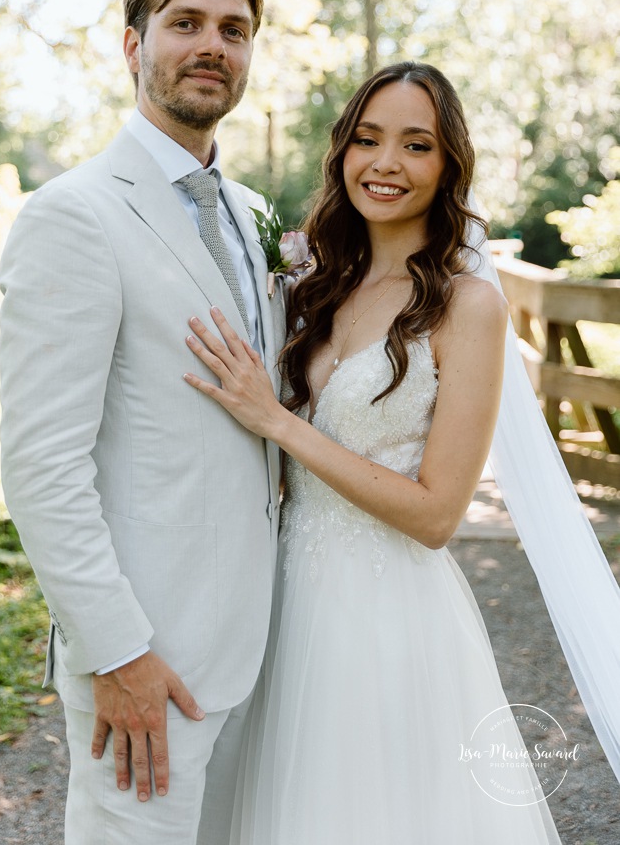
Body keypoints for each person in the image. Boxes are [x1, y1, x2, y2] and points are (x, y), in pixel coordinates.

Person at [183, 61, 566, 842]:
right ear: (342, 154)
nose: (385, 163)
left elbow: (437, 514)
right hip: (278, 600)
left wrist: (283, 424)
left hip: (386, 613)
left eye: (415, 145)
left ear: (447, 164)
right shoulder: (312, 282)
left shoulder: (468, 304)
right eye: (367, 139)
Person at [0, 0, 286, 845]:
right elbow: (42, 466)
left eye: (233, 30)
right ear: (133, 46)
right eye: (186, 23)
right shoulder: (72, 216)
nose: (213, 46)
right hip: (145, 662)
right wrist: (116, 653)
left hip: (255, 650)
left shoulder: (252, 215)